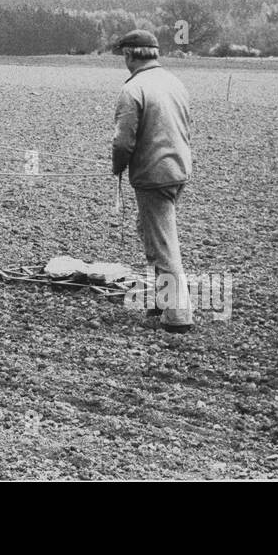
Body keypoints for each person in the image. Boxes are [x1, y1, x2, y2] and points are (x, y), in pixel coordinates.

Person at [111, 29, 195, 334]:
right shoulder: (174, 82)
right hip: (177, 170)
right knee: (149, 231)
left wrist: (116, 167)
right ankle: (161, 301)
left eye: (124, 55)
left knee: (162, 243)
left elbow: (123, 143)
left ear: (130, 55)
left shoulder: (133, 89)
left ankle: (178, 315)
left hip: (153, 174)